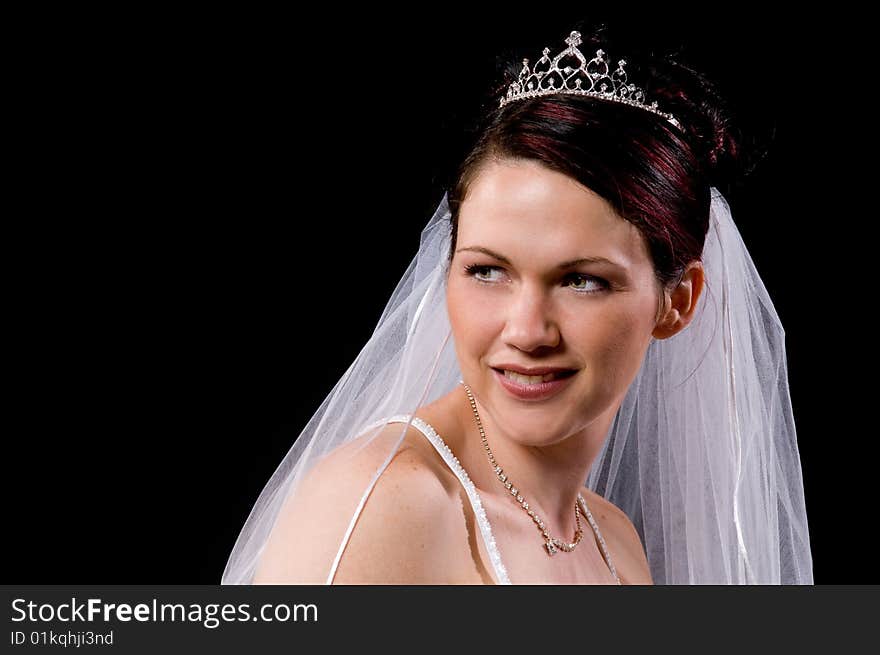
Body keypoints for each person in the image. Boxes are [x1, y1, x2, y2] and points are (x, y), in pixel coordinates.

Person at [221, 25, 813, 585]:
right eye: (487, 271)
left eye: (582, 280)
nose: (527, 331)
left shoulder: (615, 544)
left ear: (676, 302)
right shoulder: (385, 503)